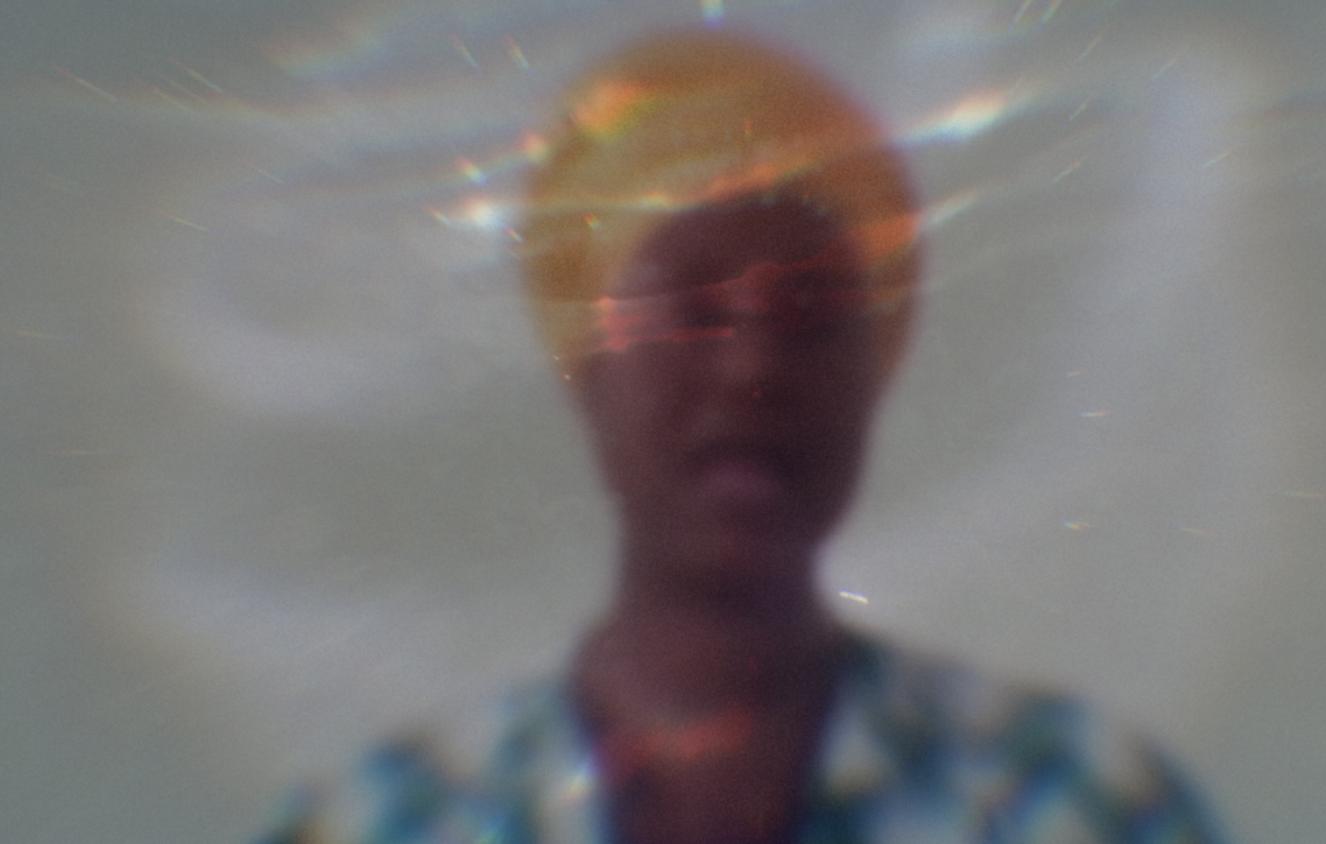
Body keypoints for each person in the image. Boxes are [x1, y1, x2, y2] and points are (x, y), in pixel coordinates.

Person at [260, 29, 1228, 844]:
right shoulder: (383, 821)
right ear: (587, 365)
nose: (752, 367)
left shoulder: (1074, 799)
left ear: (872, 375)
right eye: (691, 310)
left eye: (812, 315)